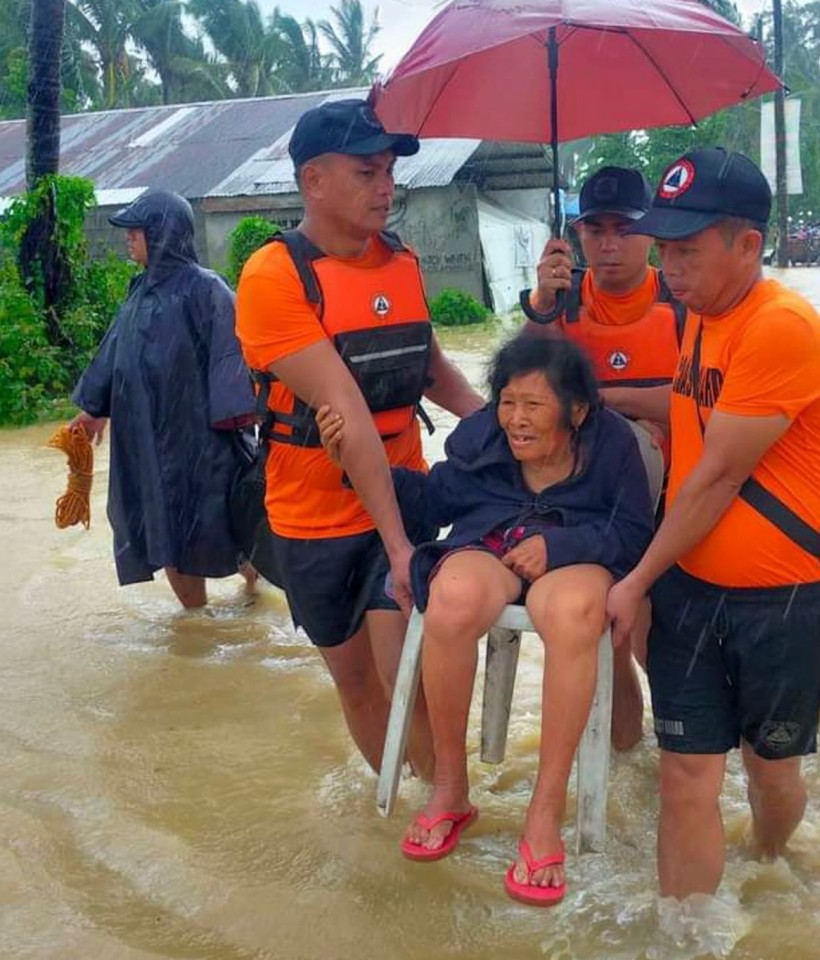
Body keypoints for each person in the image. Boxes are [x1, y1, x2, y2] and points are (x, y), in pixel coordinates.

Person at [316, 335, 653, 907]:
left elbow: (632, 533)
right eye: (508, 402)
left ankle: (543, 815)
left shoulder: (614, 445)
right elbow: (431, 502)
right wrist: (351, 458)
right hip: (490, 541)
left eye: (534, 406)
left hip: (577, 555)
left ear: (576, 410)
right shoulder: (483, 439)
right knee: (449, 598)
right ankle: (451, 788)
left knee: (572, 613)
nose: (516, 420)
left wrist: (561, 544)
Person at [605, 148, 820, 899]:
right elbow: (685, 415)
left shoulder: (780, 326)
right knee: (685, 774)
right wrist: (586, 395)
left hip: (783, 604)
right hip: (691, 590)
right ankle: (685, 938)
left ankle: (769, 865)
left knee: (768, 769)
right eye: (665, 248)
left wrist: (636, 579)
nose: (669, 265)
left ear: (748, 244)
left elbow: (716, 477)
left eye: (687, 249)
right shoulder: (705, 319)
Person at [234, 99, 485, 778]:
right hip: (312, 520)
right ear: (314, 180)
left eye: (390, 172)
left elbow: (432, 371)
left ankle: (442, 799)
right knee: (356, 682)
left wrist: (508, 430)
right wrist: (399, 545)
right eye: (367, 171)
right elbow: (341, 402)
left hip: (402, 500)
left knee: (413, 671)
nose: (387, 187)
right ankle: (396, 802)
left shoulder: (401, 264)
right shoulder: (273, 277)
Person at [527, 165, 684, 750]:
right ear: (578, 235)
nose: (610, 244)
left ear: (652, 233)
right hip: (590, 508)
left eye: (625, 228)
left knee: (660, 648)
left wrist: (601, 398)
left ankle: (680, 760)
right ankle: (626, 770)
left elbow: (704, 400)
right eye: (596, 230)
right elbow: (525, 396)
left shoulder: (684, 301)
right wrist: (542, 300)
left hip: (676, 504)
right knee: (611, 648)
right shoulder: (561, 306)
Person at [71, 190, 256, 610]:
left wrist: (238, 426)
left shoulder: (207, 290)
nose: (128, 238)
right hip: (149, 445)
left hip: (203, 444)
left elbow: (234, 358)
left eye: (137, 230)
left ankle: (252, 592)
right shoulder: (138, 293)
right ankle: (196, 622)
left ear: (163, 232)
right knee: (168, 532)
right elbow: (115, 353)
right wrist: (94, 409)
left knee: (229, 526)